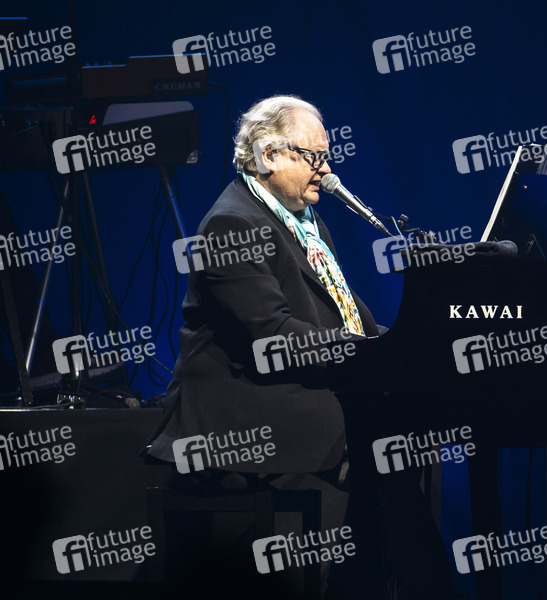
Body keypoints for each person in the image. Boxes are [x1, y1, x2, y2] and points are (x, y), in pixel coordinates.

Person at [144, 95, 461, 599]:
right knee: (374, 437)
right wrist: (368, 354)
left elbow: (346, 315)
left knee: (405, 442)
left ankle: (403, 579)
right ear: (269, 156)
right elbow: (273, 336)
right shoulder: (230, 226)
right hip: (248, 415)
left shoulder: (303, 220)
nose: (327, 169)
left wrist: (401, 346)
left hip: (297, 392)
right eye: (314, 156)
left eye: (327, 157)